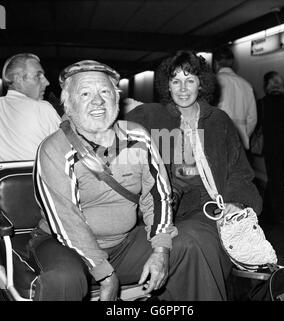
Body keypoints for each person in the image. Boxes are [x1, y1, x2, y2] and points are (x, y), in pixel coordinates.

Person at [29, 59, 222, 301]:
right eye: (85, 93)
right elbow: (66, 221)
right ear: (68, 103)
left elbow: (157, 194)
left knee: (191, 243)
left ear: (116, 99)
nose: (98, 101)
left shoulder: (137, 136)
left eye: (105, 92)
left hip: (121, 244)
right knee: (64, 279)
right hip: (64, 246)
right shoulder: (54, 149)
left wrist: (161, 250)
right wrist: (105, 275)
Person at [126, 50, 263, 298]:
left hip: (208, 208)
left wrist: (235, 202)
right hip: (164, 210)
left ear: (201, 84)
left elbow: (240, 172)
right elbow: (117, 138)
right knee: (176, 246)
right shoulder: (151, 117)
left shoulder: (219, 121)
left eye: (190, 80)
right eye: (175, 81)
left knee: (192, 242)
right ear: (166, 85)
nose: (183, 88)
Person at [257, 71, 284, 224]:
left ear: (266, 85)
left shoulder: (262, 103)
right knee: (279, 179)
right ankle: (270, 208)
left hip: (271, 147)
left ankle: (281, 214)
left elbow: (257, 126)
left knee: (275, 179)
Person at [0, 53, 61, 161]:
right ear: (18, 79)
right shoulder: (43, 109)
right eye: (38, 76)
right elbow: (68, 153)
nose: (47, 82)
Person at [213, 45, 257, 152]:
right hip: (240, 143)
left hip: (217, 141)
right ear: (232, 63)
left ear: (215, 63)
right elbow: (252, 118)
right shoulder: (246, 85)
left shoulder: (214, 83)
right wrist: (244, 135)